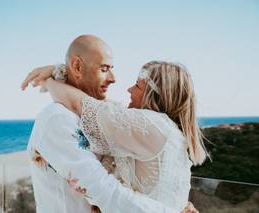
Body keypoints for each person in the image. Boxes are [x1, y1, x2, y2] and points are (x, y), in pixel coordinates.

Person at [23, 59, 206, 212]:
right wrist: (59, 72)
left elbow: (80, 104)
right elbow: (105, 108)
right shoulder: (169, 130)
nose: (129, 90)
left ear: (154, 94)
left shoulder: (153, 125)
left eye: (137, 85)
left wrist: (49, 80)